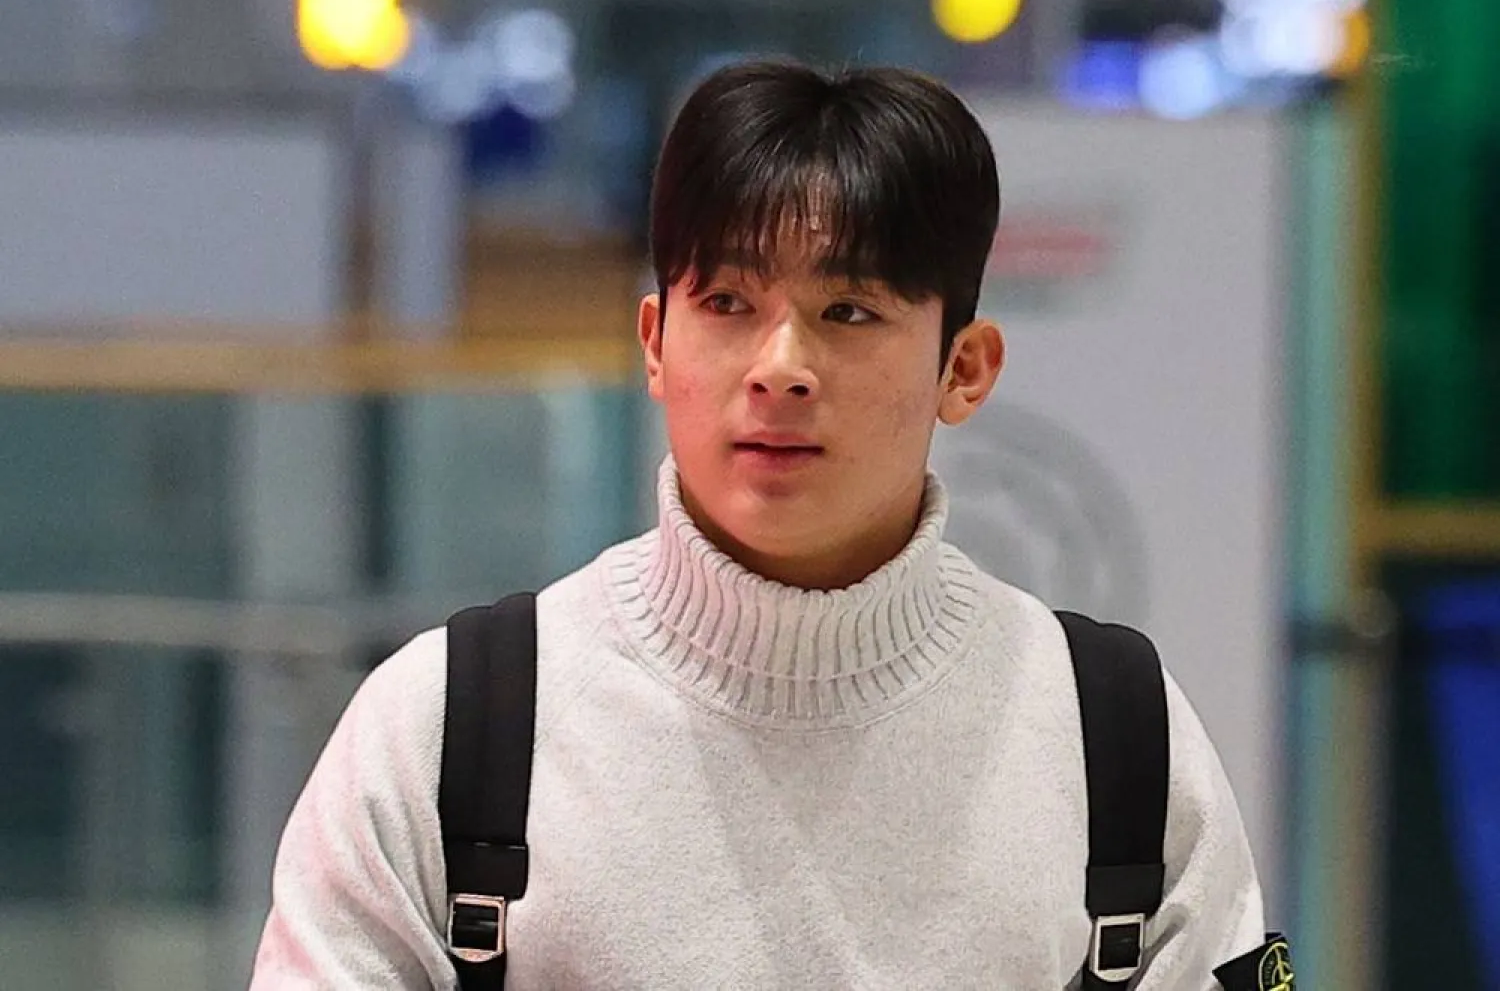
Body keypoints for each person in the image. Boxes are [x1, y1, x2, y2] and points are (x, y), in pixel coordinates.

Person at [250, 58, 1269, 989]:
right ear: (656, 343)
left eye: (849, 312)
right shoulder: (446, 730)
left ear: (964, 368)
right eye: (729, 302)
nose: (780, 367)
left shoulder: (1116, 736)